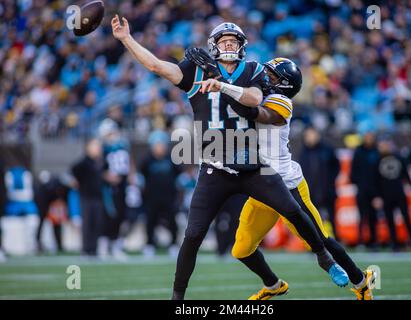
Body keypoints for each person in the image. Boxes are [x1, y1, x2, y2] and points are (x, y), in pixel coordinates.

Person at [111, 16, 348, 300]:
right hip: (215, 167)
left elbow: (252, 99)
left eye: (233, 41)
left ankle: (324, 257)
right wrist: (126, 38)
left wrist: (219, 79)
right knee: (193, 234)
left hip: (252, 165)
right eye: (224, 41)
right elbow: (155, 65)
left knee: (293, 210)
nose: (228, 45)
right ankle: (177, 299)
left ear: (242, 45)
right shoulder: (196, 73)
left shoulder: (252, 70)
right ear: (213, 45)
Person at [224, 57, 376, 300]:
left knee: (320, 240)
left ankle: (361, 281)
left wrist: (223, 84)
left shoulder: (281, 102)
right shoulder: (257, 95)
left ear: (283, 85)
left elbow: (253, 110)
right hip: (260, 186)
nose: (265, 78)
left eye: (272, 77)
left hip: (286, 186)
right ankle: (274, 286)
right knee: (241, 249)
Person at [139, 130, 180, 258]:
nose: (159, 148)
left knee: (172, 222)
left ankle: (173, 244)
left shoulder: (171, 160)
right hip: (152, 198)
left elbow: (179, 175)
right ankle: (150, 244)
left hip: (169, 197)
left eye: (161, 145)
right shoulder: (146, 161)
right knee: (150, 222)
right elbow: (141, 177)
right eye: (157, 145)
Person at [375, 136, 411, 251]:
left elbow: (405, 172)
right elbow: (375, 180)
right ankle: (394, 244)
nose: (383, 147)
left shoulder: (398, 157)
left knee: (406, 217)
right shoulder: (377, 160)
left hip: (399, 192)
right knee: (390, 220)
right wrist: (378, 196)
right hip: (386, 194)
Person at [97, 118, 131, 260]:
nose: (113, 135)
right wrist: (106, 176)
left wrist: (132, 176)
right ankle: (104, 247)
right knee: (109, 216)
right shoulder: (102, 149)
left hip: (122, 185)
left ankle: (116, 246)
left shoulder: (122, 146)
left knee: (121, 216)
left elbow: (128, 163)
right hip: (108, 188)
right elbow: (97, 168)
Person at [299, 126, 340, 239]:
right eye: (307, 135)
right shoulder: (304, 152)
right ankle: (315, 242)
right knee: (312, 219)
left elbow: (336, 167)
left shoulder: (328, 149)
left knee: (331, 217)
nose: (310, 138)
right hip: (310, 192)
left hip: (327, 190)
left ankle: (336, 240)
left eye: (312, 135)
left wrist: (330, 181)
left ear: (317, 135)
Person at [71, 138, 105, 257]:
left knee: (97, 223)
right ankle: (86, 249)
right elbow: (73, 171)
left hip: (98, 197)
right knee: (87, 224)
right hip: (86, 197)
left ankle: (94, 249)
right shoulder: (84, 163)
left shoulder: (101, 162)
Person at [350, 126, 380, 249]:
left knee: (373, 217)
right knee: (362, 216)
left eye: (370, 137)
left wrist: (378, 193)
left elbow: (379, 174)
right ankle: (361, 241)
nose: (369, 139)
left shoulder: (377, 152)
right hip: (362, 190)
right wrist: (358, 183)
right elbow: (353, 171)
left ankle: (374, 241)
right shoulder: (358, 151)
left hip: (374, 191)